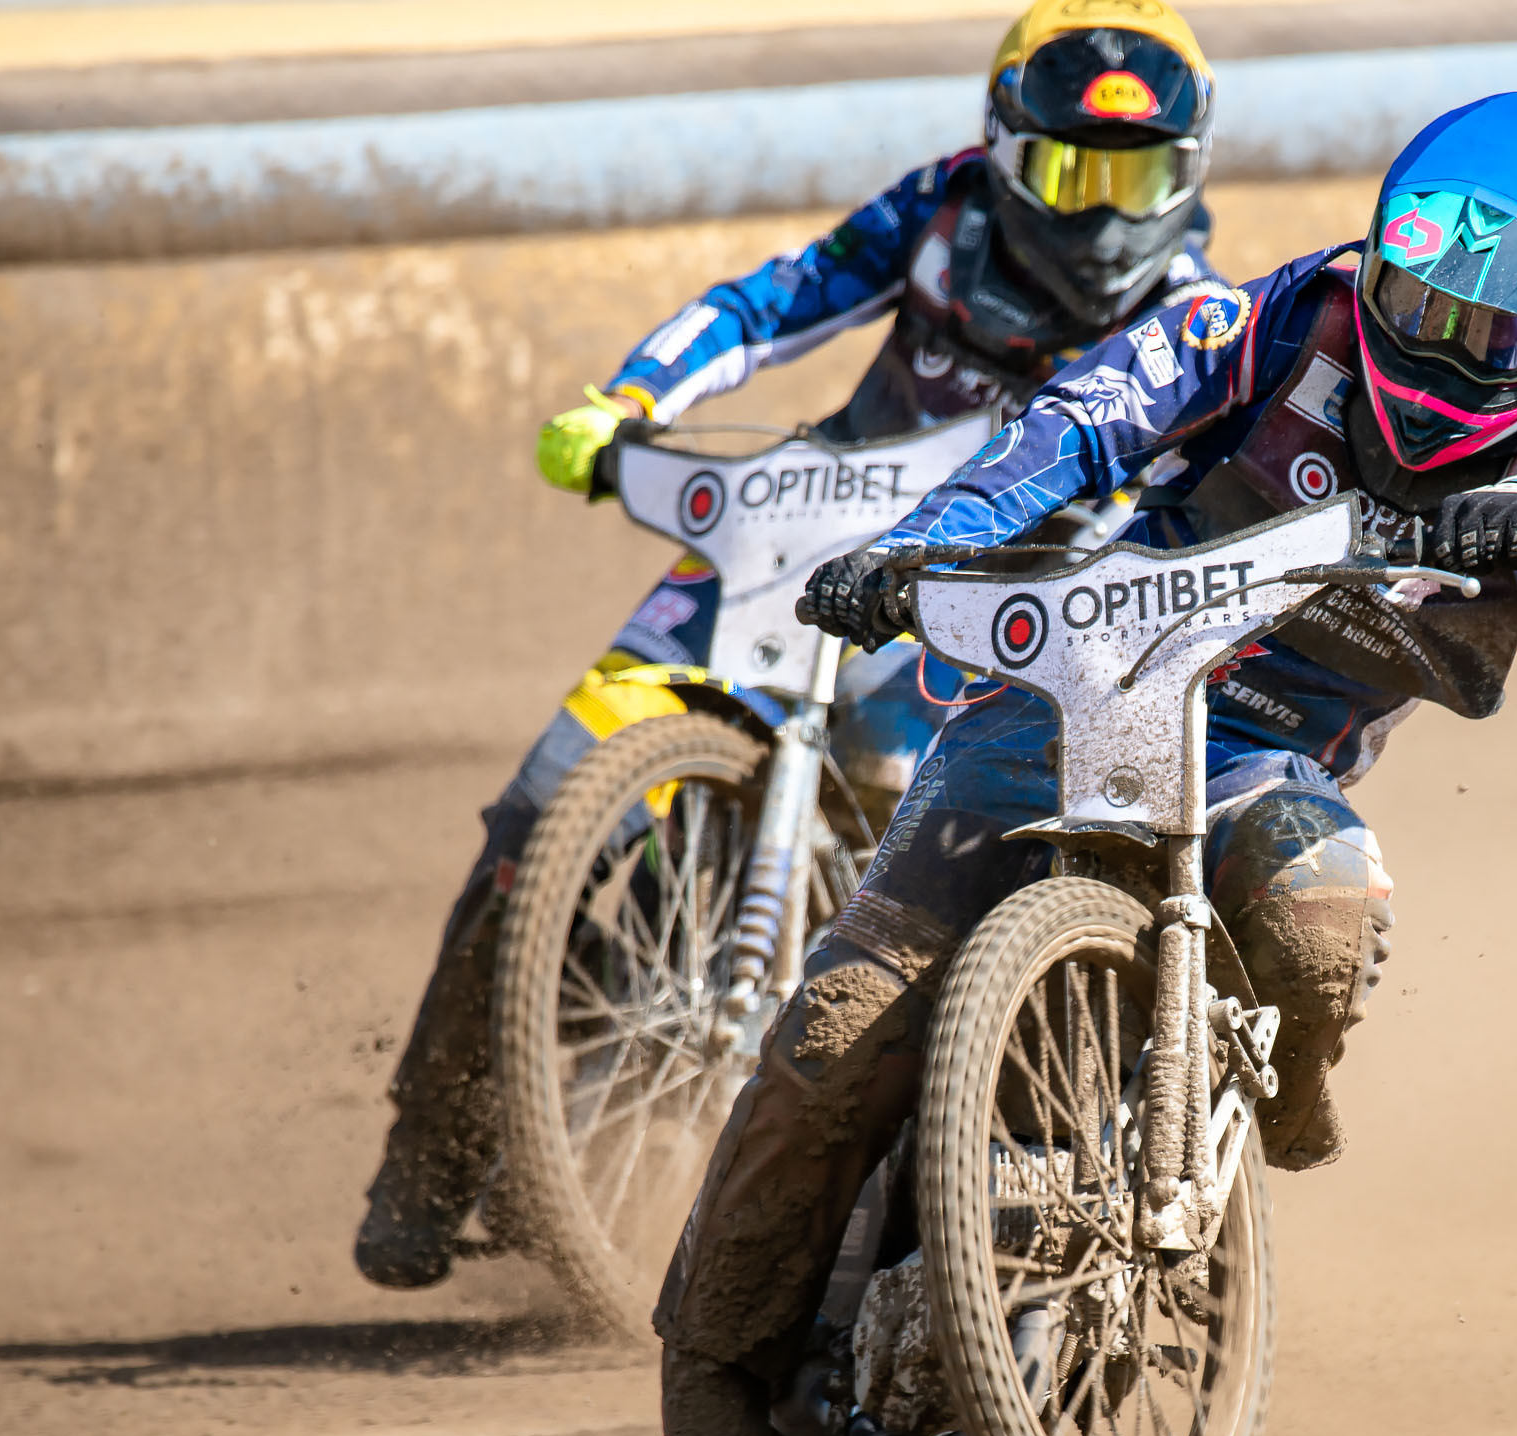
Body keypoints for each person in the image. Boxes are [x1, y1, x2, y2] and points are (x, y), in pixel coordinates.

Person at [656, 91, 1517, 1436]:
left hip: (1252, 757)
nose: (1443, 345)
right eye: (1417, 299)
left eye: (1492, 334)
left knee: (1325, 923)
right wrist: (932, 546)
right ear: (1374, 264)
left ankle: (1271, 1088)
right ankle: (715, 1382)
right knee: (838, 1030)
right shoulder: (1264, 323)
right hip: (1064, 698)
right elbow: (1084, 416)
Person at [355, 0, 1232, 1292]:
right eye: (1066, 171)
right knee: (544, 799)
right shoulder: (937, 217)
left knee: (966, 855)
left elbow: (1206, 510)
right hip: (805, 534)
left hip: (996, 600)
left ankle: (968, 1220)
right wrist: (629, 399)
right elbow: (771, 305)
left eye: (1135, 175)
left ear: (1191, 171)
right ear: (999, 150)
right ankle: (429, 1153)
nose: (1100, 216)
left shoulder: (1206, 319)